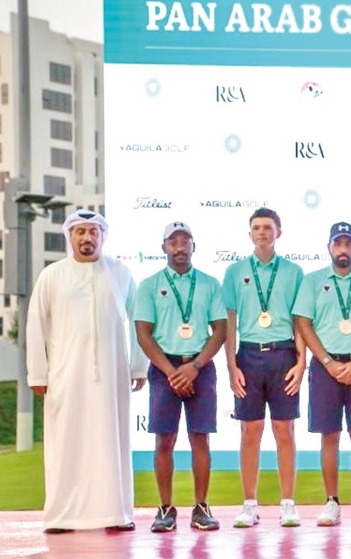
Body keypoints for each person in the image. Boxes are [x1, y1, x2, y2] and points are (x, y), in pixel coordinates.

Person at [25, 209, 146, 534]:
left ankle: (116, 513)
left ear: (102, 237)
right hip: (65, 377)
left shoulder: (121, 274)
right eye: (80, 232)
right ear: (70, 237)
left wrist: (138, 365)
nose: (87, 238)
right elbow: (35, 324)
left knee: (112, 442)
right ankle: (61, 516)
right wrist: (38, 374)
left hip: (112, 375)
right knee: (66, 444)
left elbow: (137, 322)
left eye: (93, 231)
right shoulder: (52, 276)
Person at [292, 221, 351, 527]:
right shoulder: (312, 281)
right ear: (329, 247)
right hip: (324, 368)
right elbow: (303, 323)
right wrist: (326, 360)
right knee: (329, 434)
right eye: (338, 244)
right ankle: (331, 501)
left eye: (348, 244)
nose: (343, 249)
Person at [134, 221, 228, 532]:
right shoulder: (149, 285)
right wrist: (172, 371)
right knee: (165, 439)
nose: (179, 246)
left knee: (200, 438)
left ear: (193, 247)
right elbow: (144, 334)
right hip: (165, 369)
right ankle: (165, 508)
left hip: (199, 367)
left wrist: (195, 366)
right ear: (163, 248)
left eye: (185, 241)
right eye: (172, 241)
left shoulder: (210, 284)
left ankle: (201, 507)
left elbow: (220, 330)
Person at [221, 207, 306, 528]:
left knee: (284, 430)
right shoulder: (235, 272)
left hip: (284, 355)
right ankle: (249, 505)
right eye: (256, 228)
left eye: (268, 227)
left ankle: (288, 503)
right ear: (250, 233)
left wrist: (302, 363)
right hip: (249, 356)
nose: (262, 233)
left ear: (278, 232)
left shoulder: (294, 272)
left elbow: (301, 322)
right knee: (250, 431)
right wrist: (231, 366)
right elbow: (230, 321)